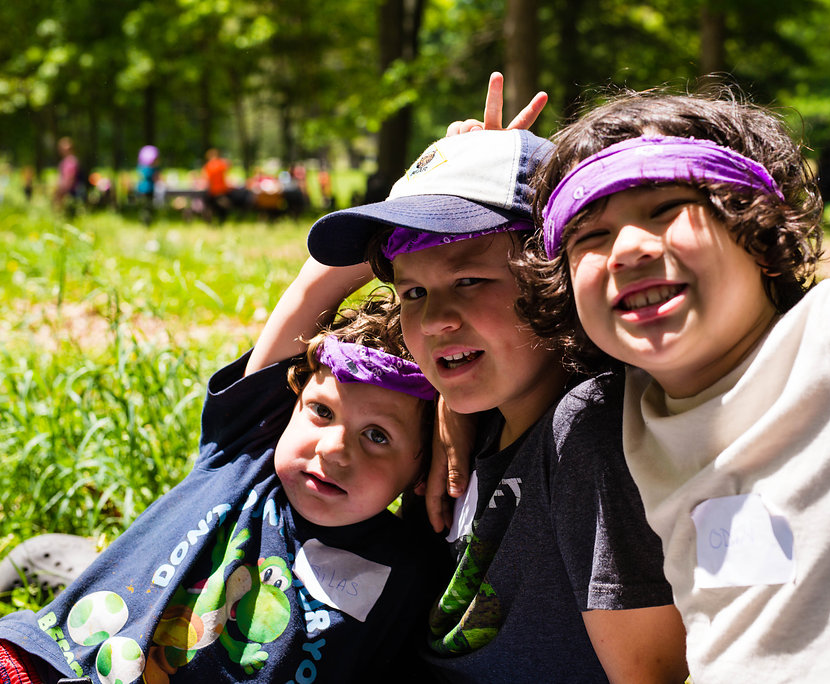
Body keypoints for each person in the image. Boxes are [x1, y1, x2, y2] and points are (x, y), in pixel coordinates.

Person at [519, 86, 830, 682]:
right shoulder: (625, 408)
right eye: (589, 236)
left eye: (666, 208)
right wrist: (465, 174)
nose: (627, 249)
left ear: (758, 231)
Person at [305, 74, 687, 683]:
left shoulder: (584, 431)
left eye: (469, 281)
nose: (435, 320)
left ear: (555, 277)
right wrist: (455, 170)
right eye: (412, 292)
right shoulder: (462, 418)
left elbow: (649, 675)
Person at [0, 274, 445, 682]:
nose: (333, 448)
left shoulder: (411, 571)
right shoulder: (245, 451)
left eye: (377, 436)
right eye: (321, 411)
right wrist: (403, 240)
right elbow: (313, 286)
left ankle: (76, 558)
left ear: (428, 465)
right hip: (46, 667)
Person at [202, 148, 232, 222]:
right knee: (223, 206)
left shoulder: (208, 166)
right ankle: (221, 221)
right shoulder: (221, 164)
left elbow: (205, 178)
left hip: (212, 191)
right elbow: (229, 167)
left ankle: (209, 221)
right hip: (222, 191)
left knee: (209, 206)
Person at [136, 144, 160, 225]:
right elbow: (156, 178)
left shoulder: (141, 167)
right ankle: (147, 221)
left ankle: (144, 220)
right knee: (148, 205)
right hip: (148, 189)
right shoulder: (151, 169)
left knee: (144, 206)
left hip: (141, 189)